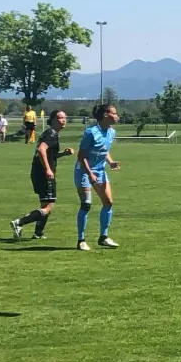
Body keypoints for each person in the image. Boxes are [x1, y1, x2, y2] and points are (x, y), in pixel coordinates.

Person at [10, 109, 73, 240]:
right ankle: (19, 222)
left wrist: (63, 154)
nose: (64, 120)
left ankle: (38, 233)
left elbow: (50, 155)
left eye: (65, 118)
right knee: (49, 206)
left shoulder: (51, 134)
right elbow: (41, 150)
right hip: (43, 174)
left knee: (45, 204)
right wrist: (48, 169)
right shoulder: (51, 133)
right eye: (60, 118)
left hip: (39, 173)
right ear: (53, 120)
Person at [74, 103, 120, 251]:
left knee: (108, 203)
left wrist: (110, 162)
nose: (117, 116)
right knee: (86, 204)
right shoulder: (91, 132)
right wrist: (90, 173)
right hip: (84, 171)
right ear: (106, 115)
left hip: (100, 171)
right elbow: (81, 156)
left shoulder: (111, 132)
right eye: (114, 113)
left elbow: (104, 150)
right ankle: (81, 240)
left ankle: (103, 237)